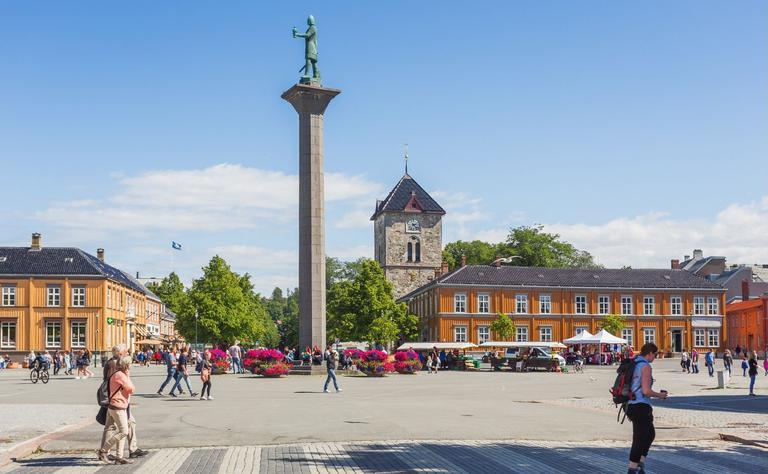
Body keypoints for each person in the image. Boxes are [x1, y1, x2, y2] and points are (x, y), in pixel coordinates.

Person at [626, 342, 668, 474]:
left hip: (631, 405)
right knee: (640, 438)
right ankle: (632, 468)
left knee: (650, 434)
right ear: (649, 353)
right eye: (655, 354)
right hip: (641, 406)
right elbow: (645, 391)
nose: (655, 357)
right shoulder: (645, 366)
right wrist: (659, 395)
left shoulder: (635, 363)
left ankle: (640, 463)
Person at [98, 356, 136, 465]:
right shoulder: (120, 375)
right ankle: (103, 451)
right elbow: (131, 389)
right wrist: (128, 376)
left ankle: (119, 457)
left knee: (121, 431)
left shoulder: (118, 374)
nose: (131, 367)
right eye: (130, 365)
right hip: (117, 407)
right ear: (126, 365)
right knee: (124, 431)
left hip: (115, 406)